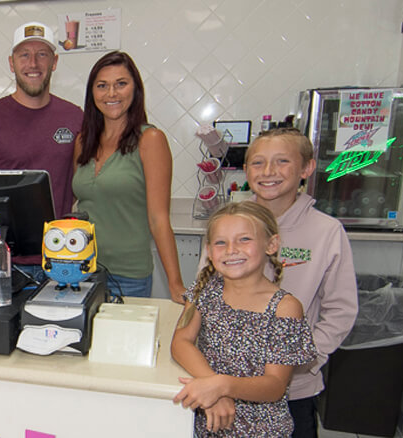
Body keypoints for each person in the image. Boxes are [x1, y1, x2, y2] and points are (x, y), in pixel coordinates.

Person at [241, 127, 358, 438]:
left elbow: (341, 310)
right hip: (232, 383)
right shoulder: (228, 224)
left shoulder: (327, 232)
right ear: (245, 169)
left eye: (282, 161)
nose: (268, 172)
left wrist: (305, 360)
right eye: (258, 163)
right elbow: (206, 295)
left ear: (307, 168)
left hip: (294, 392)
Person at [172, 201, 317, 437]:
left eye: (244, 239)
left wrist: (222, 386)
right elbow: (180, 342)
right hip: (210, 422)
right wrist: (213, 388)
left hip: (262, 430)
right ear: (209, 250)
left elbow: (275, 386)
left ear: (271, 244)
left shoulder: (285, 307)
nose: (231, 249)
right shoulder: (205, 289)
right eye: (221, 242)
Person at [0, 21, 82, 280]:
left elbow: (83, 184)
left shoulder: (75, 117)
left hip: (63, 258)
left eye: (42, 54)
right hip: (4, 263)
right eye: (24, 55)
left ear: (54, 62)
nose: (33, 64)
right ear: (11, 62)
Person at [71, 51, 184, 302]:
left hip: (129, 276)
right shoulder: (83, 141)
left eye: (121, 84)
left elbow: (158, 219)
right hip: (82, 270)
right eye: (102, 86)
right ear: (92, 93)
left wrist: (175, 284)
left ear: (135, 89)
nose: (111, 93)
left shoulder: (150, 140)